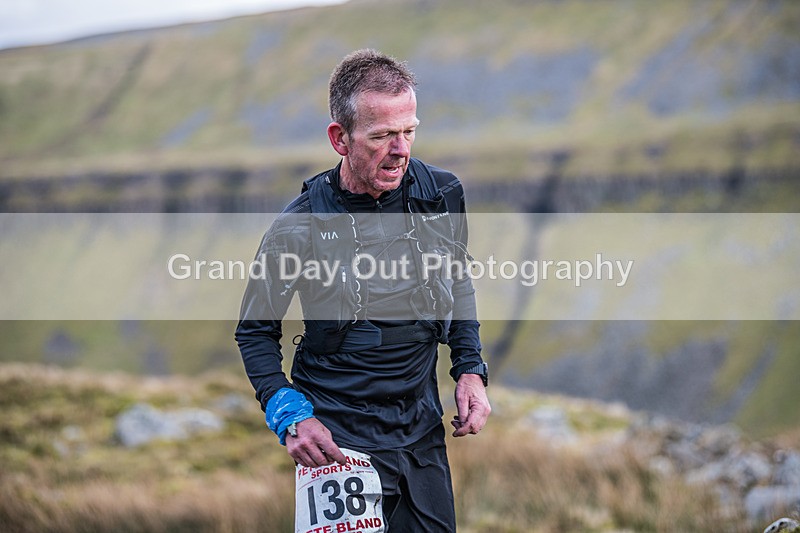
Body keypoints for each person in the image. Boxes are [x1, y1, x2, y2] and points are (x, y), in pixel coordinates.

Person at [236, 48, 490, 532]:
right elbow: (254, 332)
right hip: (337, 433)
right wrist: (289, 415)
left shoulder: (442, 195)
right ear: (340, 138)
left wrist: (471, 370)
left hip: (421, 430)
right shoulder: (298, 226)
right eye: (381, 136)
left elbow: (458, 282)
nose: (401, 150)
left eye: (409, 131)